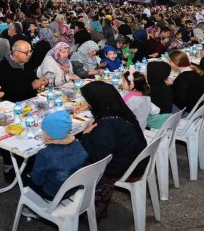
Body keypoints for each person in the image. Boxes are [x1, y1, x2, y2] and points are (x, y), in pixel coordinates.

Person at [77, 82, 147, 221]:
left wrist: (84, 136)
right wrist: (91, 107)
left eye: (89, 101)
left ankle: (86, 207)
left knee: (74, 159)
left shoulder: (107, 125)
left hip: (124, 167)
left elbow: (99, 157)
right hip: (135, 158)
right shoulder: (120, 111)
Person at [24, 109, 88, 200]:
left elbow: (37, 181)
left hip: (52, 193)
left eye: (43, 130)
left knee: (23, 175)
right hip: (73, 188)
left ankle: (32, 207)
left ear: (48, 133)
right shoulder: (78, 145)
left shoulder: (45, 154)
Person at [168, 50, 204, 115]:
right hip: (197, 105)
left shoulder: (183, 78)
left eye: (170, 61)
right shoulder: (193, 70)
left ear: (177, 62)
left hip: (188, 110)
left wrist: (171, 87)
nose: (168, 63)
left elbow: (178, 99)